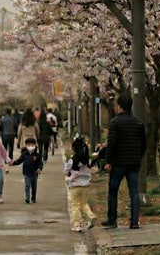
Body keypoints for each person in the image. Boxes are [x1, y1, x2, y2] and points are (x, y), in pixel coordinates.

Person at [102, 94, 147, 230]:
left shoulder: (115, 122)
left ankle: (112, 219)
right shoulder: (139, 123)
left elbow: (111, 144)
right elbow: (143, 144)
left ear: (119, 107)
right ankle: (134, 222)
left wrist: (108, 161)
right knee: (134, 192)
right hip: (134, 163)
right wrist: (138, 157)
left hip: (119, 163)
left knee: (113, 190)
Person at [65, 136, 97, 232]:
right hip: (85, 186)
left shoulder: (72, 160)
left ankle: (77, 224)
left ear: (73, 149)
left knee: (75, 205)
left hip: (75, 186)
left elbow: (66, 172)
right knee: (84, 204)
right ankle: (91, 215)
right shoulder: (87, 161)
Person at [10, 137, 43, 204]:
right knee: (27, 185)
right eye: (29, 145)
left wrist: (39, 169)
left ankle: (33, 198)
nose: (30, 147)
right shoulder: (24, 154)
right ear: (26, 146)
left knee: (34, 186)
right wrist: (13, 163)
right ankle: (27, 198)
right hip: (26, 173)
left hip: (34, 173)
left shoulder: (37, 155)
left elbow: (40, 163)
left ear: (35, 145)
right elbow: (19, 161)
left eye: (32, 145)